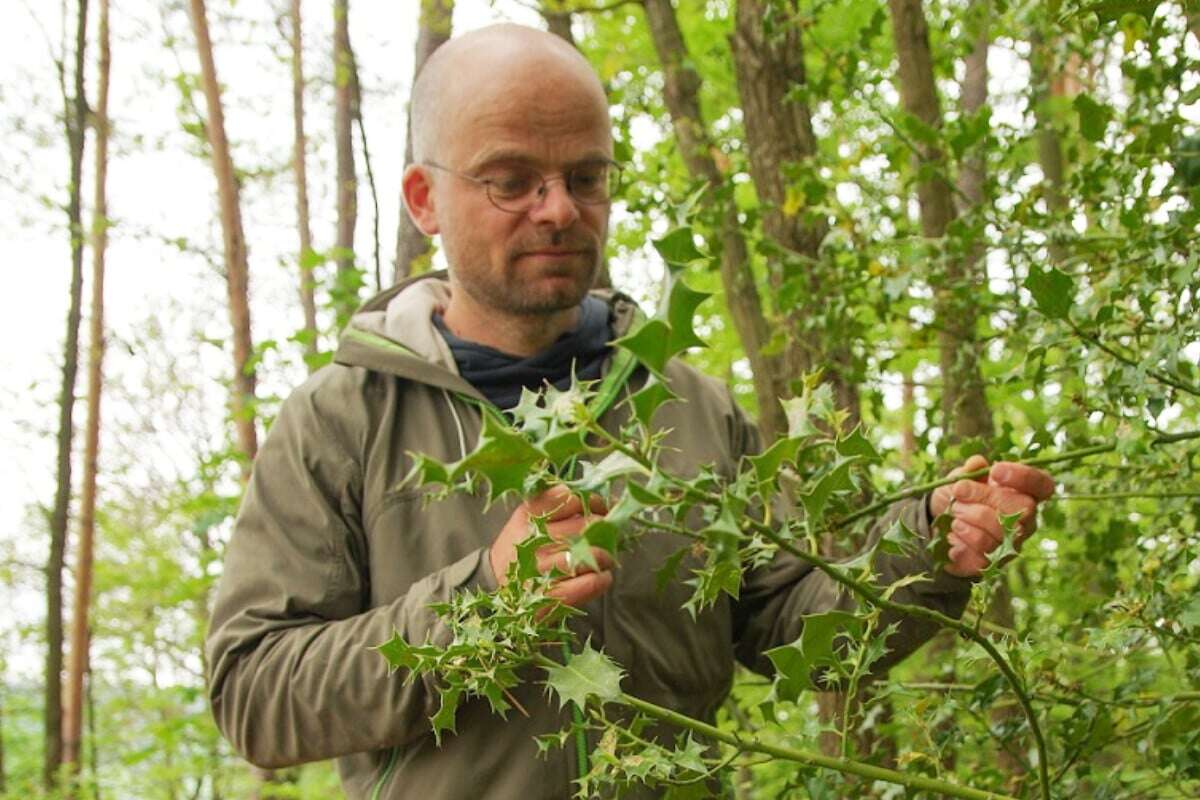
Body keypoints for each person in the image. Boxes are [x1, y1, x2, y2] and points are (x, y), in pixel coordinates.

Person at [205, 23, 1056, 800]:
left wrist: (928, 545)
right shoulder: (343, 419)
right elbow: (254, 694)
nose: (560, 209)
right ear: (425, 199)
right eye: (512, 181)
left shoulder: (690, 405)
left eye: (585, 177)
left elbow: (785, 631)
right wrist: (483, 601)